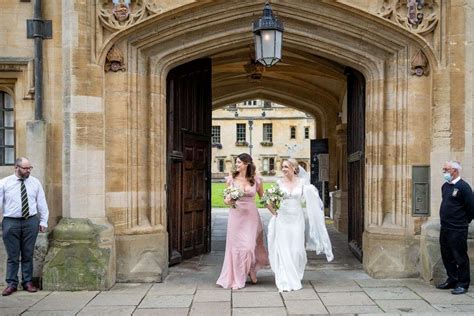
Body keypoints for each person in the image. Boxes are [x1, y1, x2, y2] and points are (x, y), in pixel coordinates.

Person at [267, 158, 333, 292]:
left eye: (286, 167)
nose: (284, 169)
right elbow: (268, 202)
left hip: (297, 218)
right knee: (284, 247)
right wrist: (275, 213)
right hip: (282, 219)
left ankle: (295, 274)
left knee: (297, 249)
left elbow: (313, 202)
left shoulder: (303, 184)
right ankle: (285, 277)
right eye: (283, 167)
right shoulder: (278, 183)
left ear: (294, 168)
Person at [216, 153, 269, 289]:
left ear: (246, 164)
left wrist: (275, 212)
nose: (237, 164)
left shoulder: (256, 180)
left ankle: (250, 269)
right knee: (237, 247)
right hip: (236, 217)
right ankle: (240, 275)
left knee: (249, 247)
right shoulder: (231, 179)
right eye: (237, 162)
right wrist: (229, 200)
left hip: (251, 217)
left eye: (239, 162)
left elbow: (263, 199)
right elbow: (226, 200)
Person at [1, 157, 49, 296]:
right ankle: (11, 283)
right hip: (11, 222)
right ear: (16, 168)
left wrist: (43, 221)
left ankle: (27, 282)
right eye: (25, 168)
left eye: (29, 168)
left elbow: (42, 203)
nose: (28, 171)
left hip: (30, 221)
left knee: (28, 253)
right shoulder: (4, 183)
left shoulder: (35, 183)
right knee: (13, 255)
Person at [436, 160, 474, 295]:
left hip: (458, 228)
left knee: (460, 256)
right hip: (445, 227)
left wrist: (463, 221)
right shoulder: (445, 186)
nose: (444, 172)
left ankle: (463, 283)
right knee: (447, 255)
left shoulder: (464, 187)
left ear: (455, 171)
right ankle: (452, 279)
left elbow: (471, 207)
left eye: (447, 169)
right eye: (444, 169)